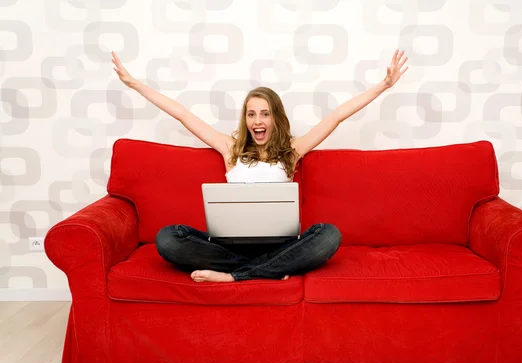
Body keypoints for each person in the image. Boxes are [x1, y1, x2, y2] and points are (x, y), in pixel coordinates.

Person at [111, 49, 409, 283]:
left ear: (275, 118)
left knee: (329, 235)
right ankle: (266, 272)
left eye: (264, 114)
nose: (257, 121)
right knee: (168, 239)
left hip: (279, 245)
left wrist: (383, 85)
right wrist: (134, 84)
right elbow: (183, 115)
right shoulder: (230, 148)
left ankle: (235, 276)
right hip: (229, 248)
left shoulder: (292, 151)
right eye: (251, 114)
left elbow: (336, 117)